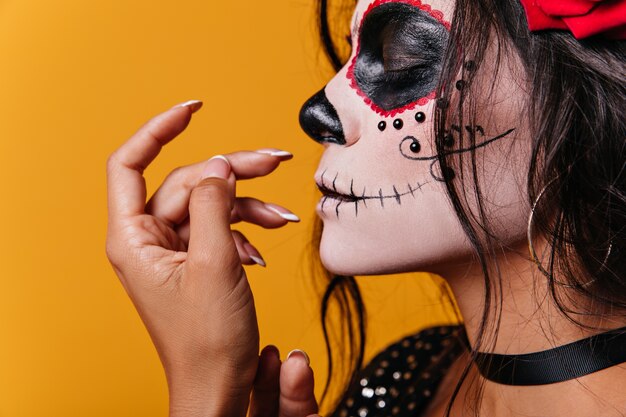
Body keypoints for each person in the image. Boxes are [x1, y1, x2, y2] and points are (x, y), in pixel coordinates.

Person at [105, 0, 626, 416]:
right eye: (349, 56)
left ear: (588, 103)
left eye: (403, 56)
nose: (320, 112)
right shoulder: (408, 376)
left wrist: (205, 389)